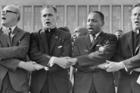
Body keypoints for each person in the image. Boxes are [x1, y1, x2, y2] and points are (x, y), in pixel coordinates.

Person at [66, 11, 117, 93]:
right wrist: (99, 66)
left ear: (102, 23)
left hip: (103, 86)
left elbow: (104, 56)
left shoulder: (110, 38)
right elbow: (75, 63)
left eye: (94, 21)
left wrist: (79, 60)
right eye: (88, 20)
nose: (90, 23)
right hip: (82, 86)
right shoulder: (79, 40)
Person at [0, 4, 44, 93]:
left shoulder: (25, 35)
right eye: (2, 12)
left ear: (17, 15)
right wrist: (21, 64)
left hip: (18, 84)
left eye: (6, 11)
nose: (2, 13)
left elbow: (21, 52)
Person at [29, 5, 72, 93]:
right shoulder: (34, 36)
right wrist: (54, 60)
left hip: (59, 83)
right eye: (44, 16)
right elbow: (34, 55)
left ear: (57, 17)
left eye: (50, 15)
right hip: (39, 84)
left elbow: (66, 57)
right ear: (41, 18)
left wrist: (46, 63)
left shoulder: (65, 35)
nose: (47, 18)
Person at [106, 3, 140, 93]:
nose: (137, 17)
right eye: (135, 14)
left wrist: (122, 65)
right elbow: (116, 56)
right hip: (125, 84)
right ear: (131, 17)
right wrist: (131, 66)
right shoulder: (123, 38)